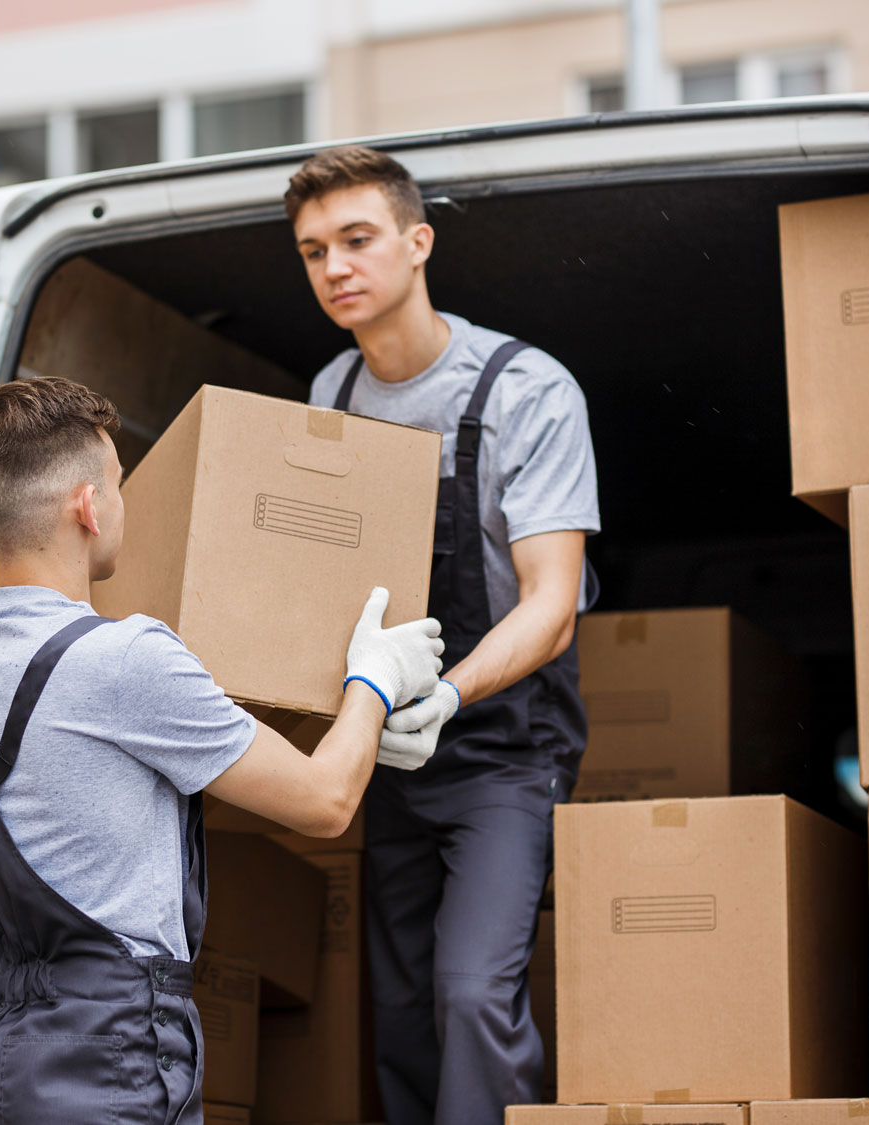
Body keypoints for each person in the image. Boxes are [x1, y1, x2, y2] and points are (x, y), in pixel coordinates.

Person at [0, 375, 444, 1125]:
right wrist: (374, 683)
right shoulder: (128, 660)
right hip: (107, 1063)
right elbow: (325, 800)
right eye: (118, 484)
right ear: (88, 507)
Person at [286, 146, 601, 1125]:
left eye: (357, 239)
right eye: (311, 252)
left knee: (471, 994)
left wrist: (447, 695)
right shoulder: (330, 393)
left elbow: (551, 602)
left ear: (418, 243)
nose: (335, 267)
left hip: (505, 751)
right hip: (382, 755)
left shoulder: (526, 390)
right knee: (404, 1013)